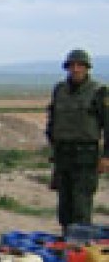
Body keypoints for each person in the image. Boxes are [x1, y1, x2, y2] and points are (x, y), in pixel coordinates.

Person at [46, 49, 109, 236]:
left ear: (86, 68)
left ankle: (80, 249)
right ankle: (66, 243)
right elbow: (52, 120)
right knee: (64, 204)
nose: (75, 69)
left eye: (80, 65)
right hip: (63, 154)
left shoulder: (98, 92)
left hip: (86, 154)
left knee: (81, 204)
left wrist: (106, 156)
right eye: (72, 66)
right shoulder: (59, 90)